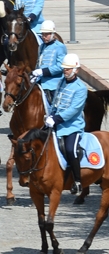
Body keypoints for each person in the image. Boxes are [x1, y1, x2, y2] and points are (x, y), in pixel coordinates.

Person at [46, 53, 87, 195]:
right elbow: (56, 102)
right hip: (57, 122)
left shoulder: (81, 88)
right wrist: (51, 114)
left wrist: (56, 119)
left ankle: (77, 181)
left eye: (68, 69)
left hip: (72, 126)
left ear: (76, 70)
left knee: (70, 149)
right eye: (64, 69)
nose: (65, 71)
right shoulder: (61, 82)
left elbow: (74, 110)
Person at [32, 20, 67, 105]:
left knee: (55, 107)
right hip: (40, 81)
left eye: (46, 34)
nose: (44, 37)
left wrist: (43, 71)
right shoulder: (41, 47)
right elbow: (39, 63)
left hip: (53, 84)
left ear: (53, 34)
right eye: (43, 34)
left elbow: (60, 66)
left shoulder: (60, 47)